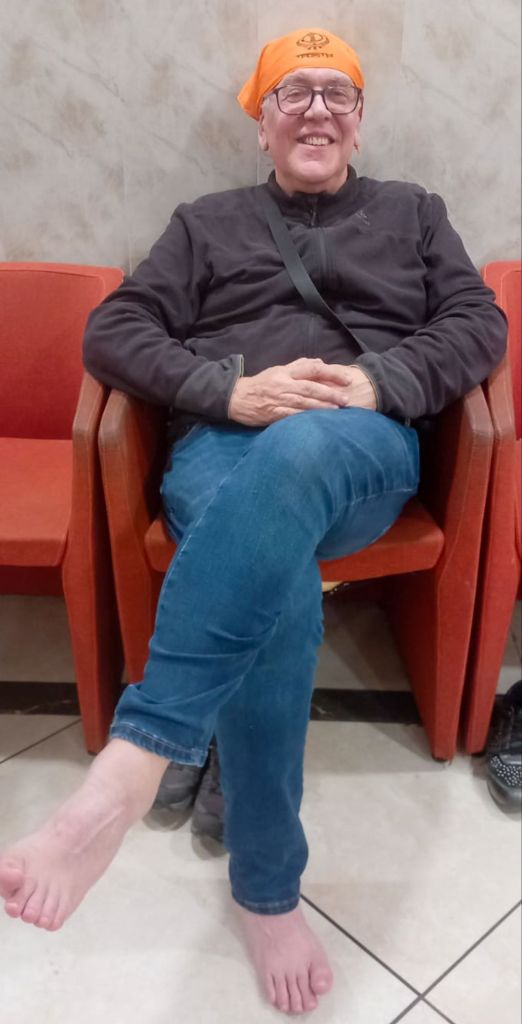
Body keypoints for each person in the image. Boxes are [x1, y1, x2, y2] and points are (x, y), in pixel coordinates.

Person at [0, 26, 507, 1017]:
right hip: (220, 449)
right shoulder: (205, 223)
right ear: (261, 123)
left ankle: (143, 753)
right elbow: (115, 329)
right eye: (293, 93)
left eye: (337, 92)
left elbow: (477, 322)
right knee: (278, 579)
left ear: (359, 120)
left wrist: (376, 381)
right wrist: (226, 390)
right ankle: (267, 889)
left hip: (357, 451)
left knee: (301, 452)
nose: (317, 109)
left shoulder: (414, 212)